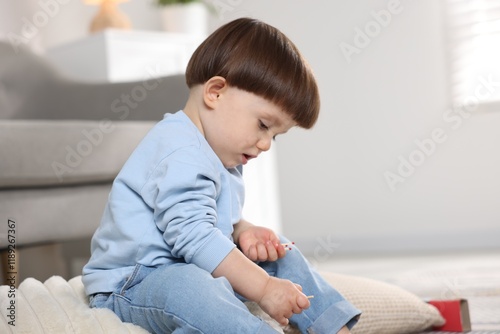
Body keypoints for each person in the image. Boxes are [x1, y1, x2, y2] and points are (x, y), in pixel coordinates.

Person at [82, 17, 361, 334]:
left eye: (276, 136)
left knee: (277, 248)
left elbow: (209, 220)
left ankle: (331, 325)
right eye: (263, 125)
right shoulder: (180, 150)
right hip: (132, 284)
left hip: (188, 264)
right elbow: (195, 237)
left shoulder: (219, 151)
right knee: (190, 287)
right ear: (215, 92)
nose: (266, 144)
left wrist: (243, 229)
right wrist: (264, 288)